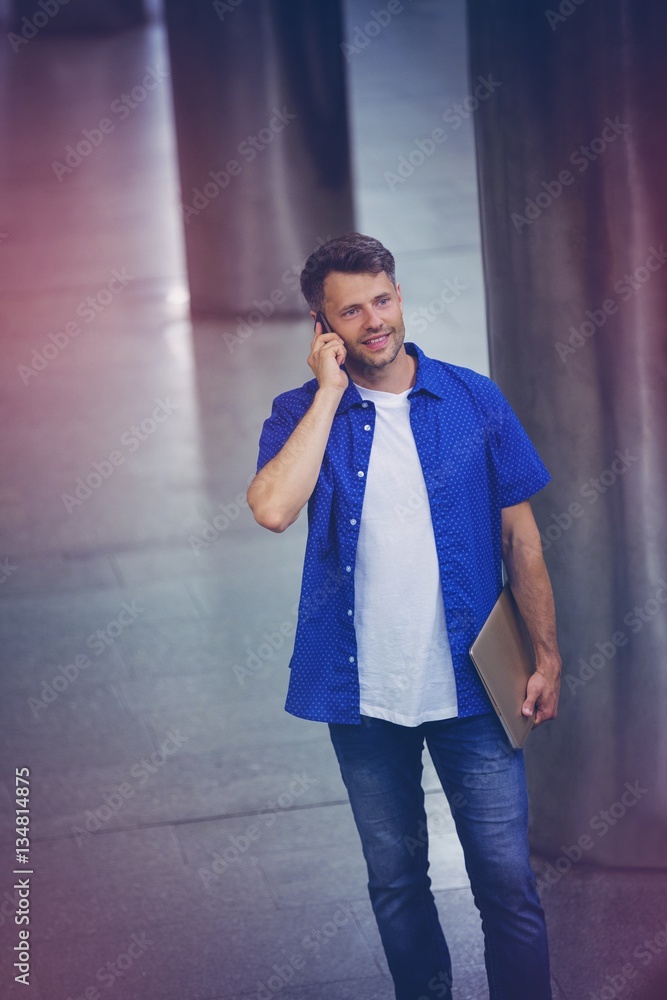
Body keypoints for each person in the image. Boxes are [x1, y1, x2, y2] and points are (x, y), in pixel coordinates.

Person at [246, 232, 561, 1000]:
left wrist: (546, 657)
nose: (373, 321)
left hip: (472, 686)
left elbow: (521, 536)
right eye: (349, 312)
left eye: (381, 300)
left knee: (505, 883)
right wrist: (327, 394)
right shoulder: (300, 413)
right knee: (394, 882)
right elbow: (273, 509)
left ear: (398, 295)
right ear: (323, 329)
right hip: (362, 695)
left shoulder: (470, 397)